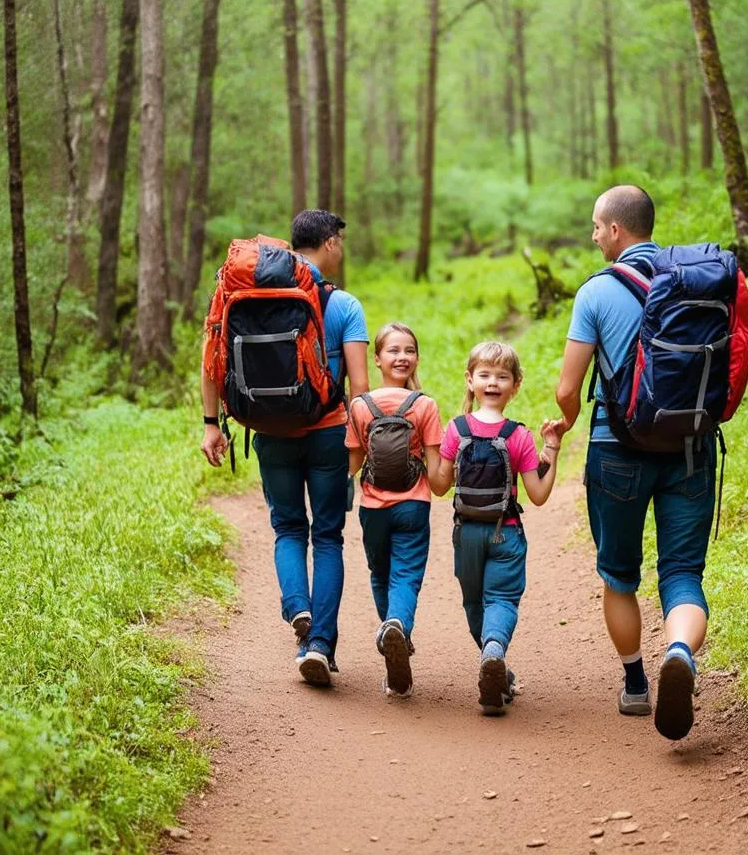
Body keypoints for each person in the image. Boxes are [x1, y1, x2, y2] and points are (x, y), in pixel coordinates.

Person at [551, 185, 716, 741]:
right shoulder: (697, 279)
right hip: (691, 448)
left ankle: (637, 685)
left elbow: (567, 388)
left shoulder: (596, 292)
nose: (595, 236)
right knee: (683, 574)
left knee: (619, 575)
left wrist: (568, 420)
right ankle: (680, 652)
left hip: (616, 451)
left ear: (616, 230)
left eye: (597, 227)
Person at [200, 210, 368, 687]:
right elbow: (359, 386)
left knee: (288, 529)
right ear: (331, 243)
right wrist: (362, 443)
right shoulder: (344, 305)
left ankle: (298, 611)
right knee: (329, 537)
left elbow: (212, 362)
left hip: (269, 430)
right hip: (328, 430)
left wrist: (213, 425)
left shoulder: (244, 297)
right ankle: (320, 646)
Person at [430, 341, 560, 715]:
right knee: (500, 601)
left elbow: (440, 487)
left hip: (467, 533)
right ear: (471, 380)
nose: (493, 381)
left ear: (513, 385)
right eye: (487, 375)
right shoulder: (518, 435)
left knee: (475, 604)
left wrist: (428, 449)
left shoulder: (455, 430)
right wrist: (552, 448)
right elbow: (537, 493)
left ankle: (492, 656)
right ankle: (494, 654)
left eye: (500, 376)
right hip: (508, 533)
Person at [345, 322, 443, 698]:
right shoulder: (425, 406)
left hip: (373, 507)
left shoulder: (360, 406)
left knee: (379, 572)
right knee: (406, 574)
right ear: (379, 358)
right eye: (395, 350)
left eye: (408, 350)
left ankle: (392, 630)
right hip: (413, 505)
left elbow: (353, 464)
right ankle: (397, 626)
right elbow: (435, 475)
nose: (403, 357)